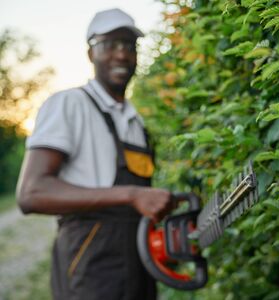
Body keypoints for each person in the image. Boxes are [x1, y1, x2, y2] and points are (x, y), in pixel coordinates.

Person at [16, 8, 172, 300]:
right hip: (90, 266)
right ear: (91, 54)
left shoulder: (137, 123)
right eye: (109, 44)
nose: (121, 54)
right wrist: (131, 195)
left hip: (140, 266)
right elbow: (31, 193)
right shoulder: (70, 105)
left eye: (129, 45)